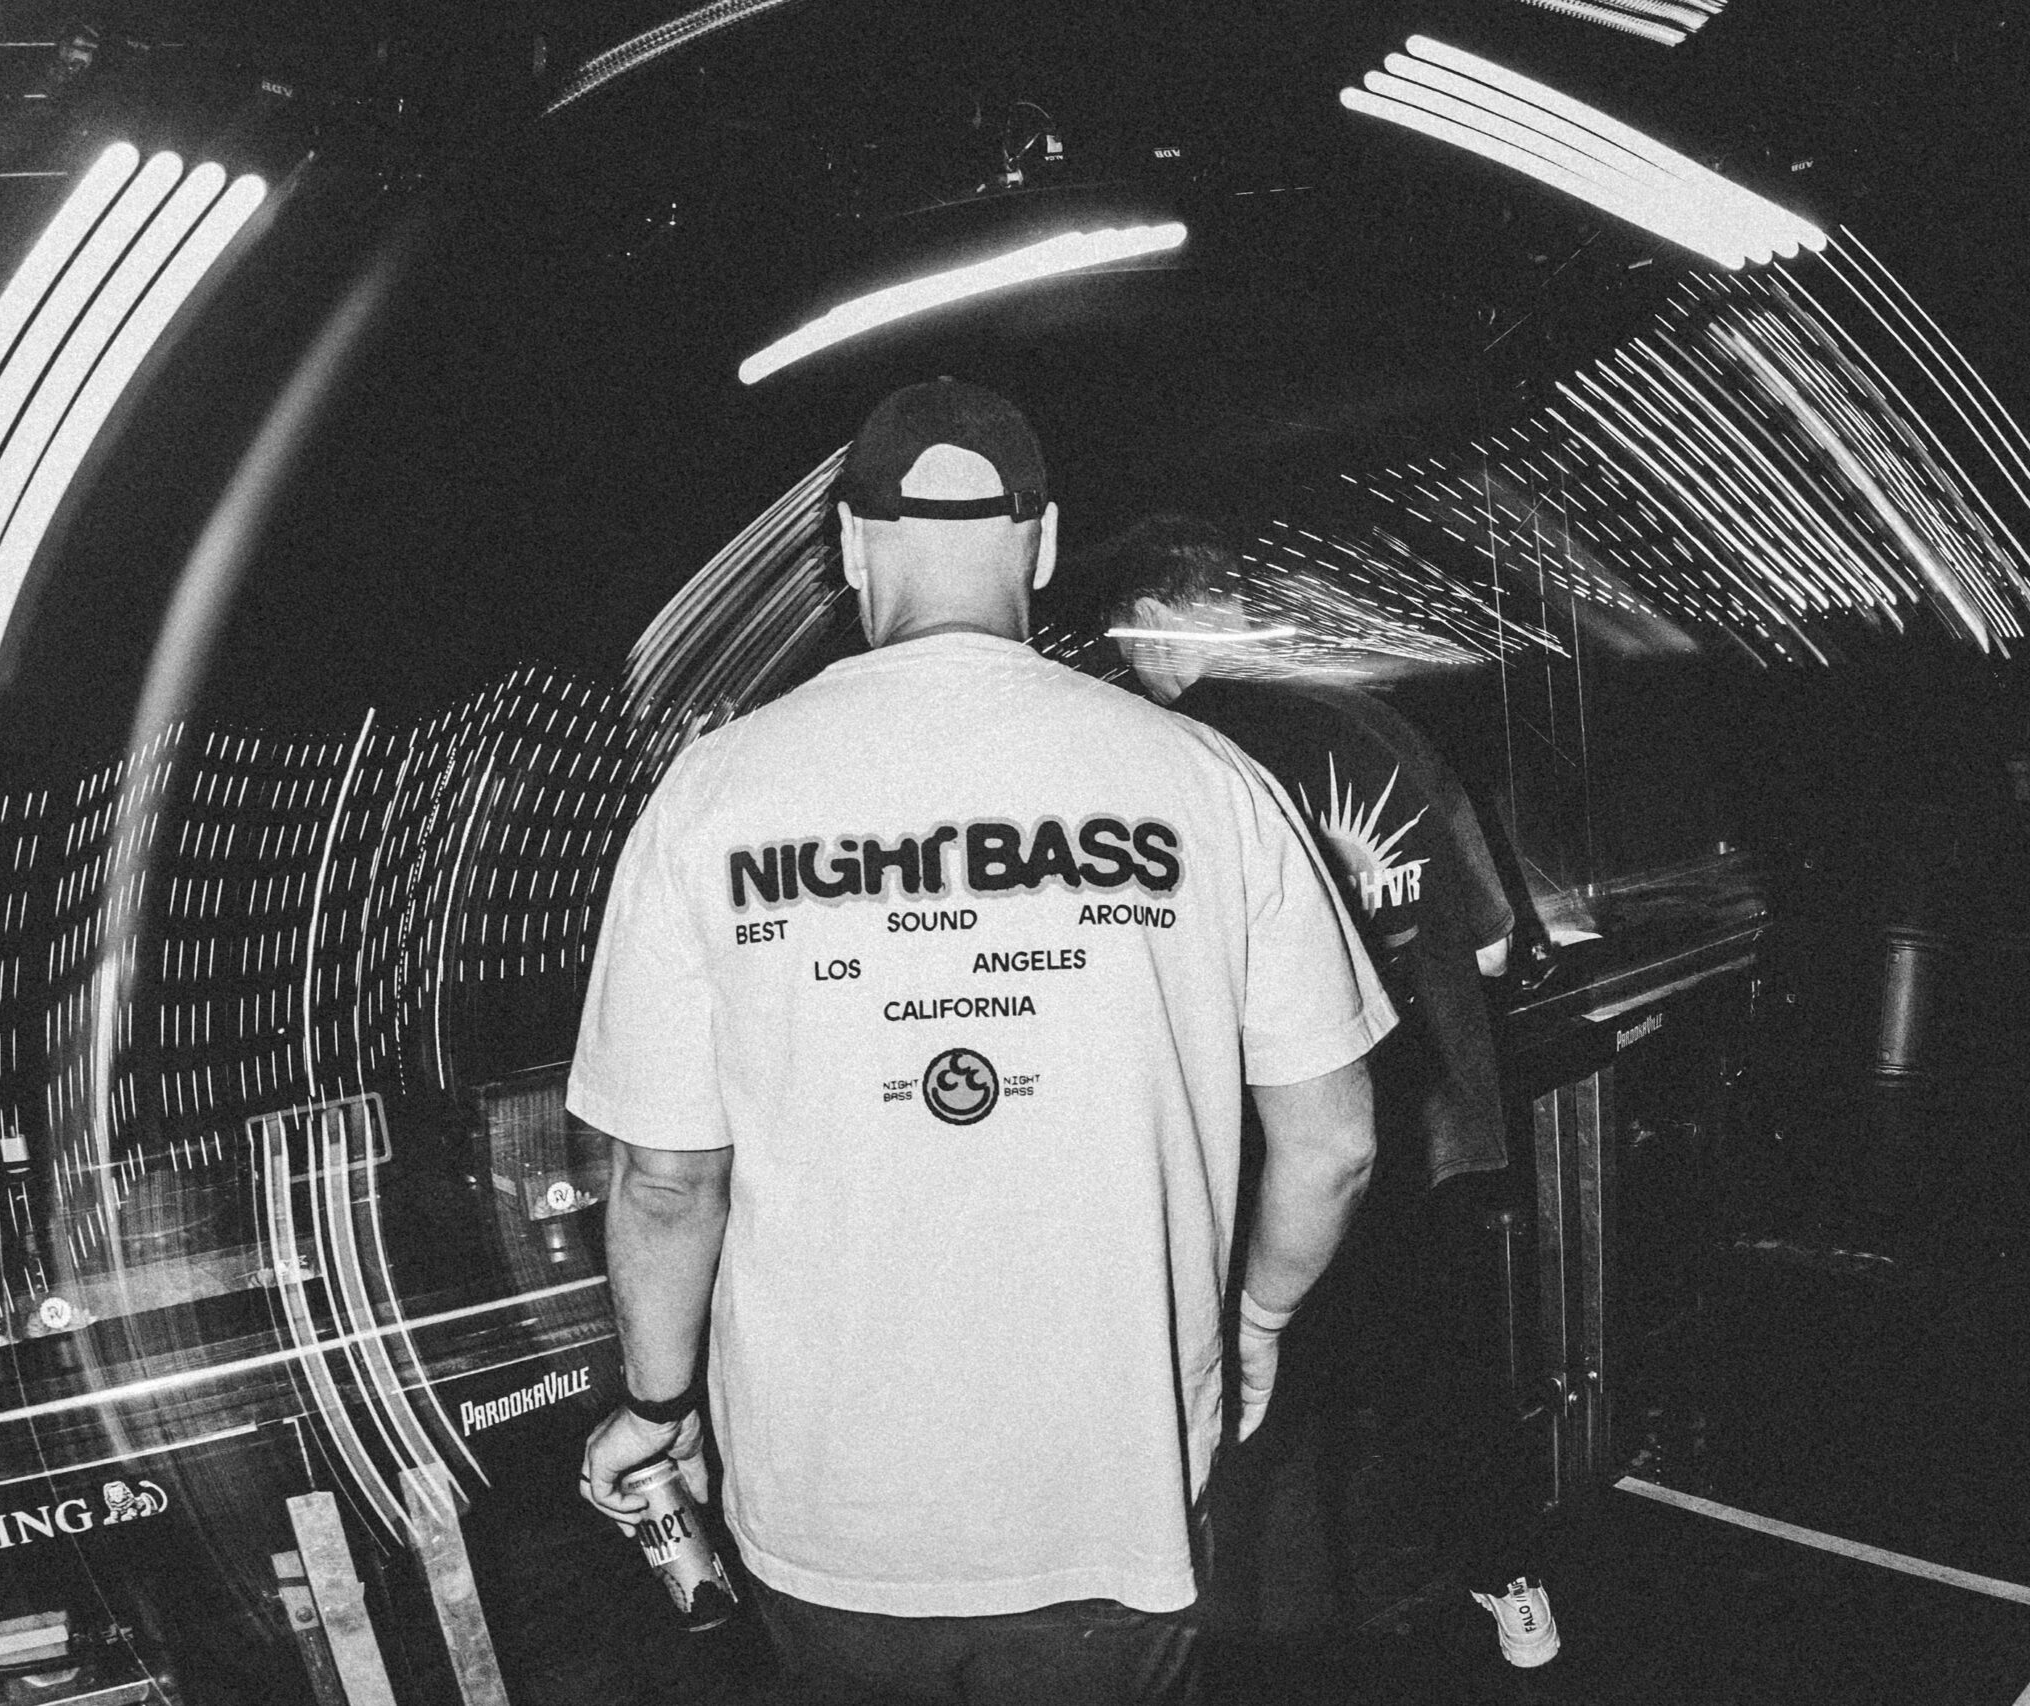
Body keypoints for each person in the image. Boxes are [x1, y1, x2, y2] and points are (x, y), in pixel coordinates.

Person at [568, 380, 1395, 1704]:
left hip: (830, 1517)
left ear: (851, 547)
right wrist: (1256, 1318)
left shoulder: (712, 797)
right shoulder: (1206, 781)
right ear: (1044, 541)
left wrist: (657, 1408)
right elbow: (1335, 1139)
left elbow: (666, 1182)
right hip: (1114, 1497)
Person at [1097, 514, 1558, 1670]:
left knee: (1267, 1413)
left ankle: (1273, 1656)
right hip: (1429, 1126)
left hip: (1279, 1149)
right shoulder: (1377, 720)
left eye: (1126, 643)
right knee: (1443, 1377)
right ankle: (1516, 1599)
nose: (1128, 667)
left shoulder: (1182, 760)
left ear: (1156, 623)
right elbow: (1495, 942)